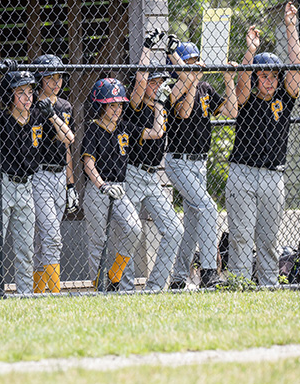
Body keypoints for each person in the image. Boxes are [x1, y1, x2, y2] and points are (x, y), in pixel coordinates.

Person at [0, 65, 74, 296]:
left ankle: (25, 296)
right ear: (11, 96)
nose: (27, 97)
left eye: (30, 92)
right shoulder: (2, 118)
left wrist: (51, 114)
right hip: (2, 185)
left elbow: (69, 138)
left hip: (26, 188)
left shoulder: (38, 117)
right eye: (20, 92)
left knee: (26, 250)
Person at [226, 2, 300, 286]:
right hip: (243, 172)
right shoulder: (246, 100)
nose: (268, 81)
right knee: (242, 236)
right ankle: (239, 284)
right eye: (263, 76)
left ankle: (269, 285)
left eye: (273, 76)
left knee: (269, 239)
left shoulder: (285, 98)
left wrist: (290, 27)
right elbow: (242, 83)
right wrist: (250, 50)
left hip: (273, 175)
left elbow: (296, 67)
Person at [82, 74, 165, 292]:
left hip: (120, 188)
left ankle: (114, 276)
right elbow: (88, 163)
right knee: (98, 242)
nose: (117, 110)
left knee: (135, 229)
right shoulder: (93, 129)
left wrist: (159, 104)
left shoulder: (124, 127)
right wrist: (101, 185)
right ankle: (100, 288)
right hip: (99, 189)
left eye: (119, 105)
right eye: (111, 106)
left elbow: (157, 133)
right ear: (100, 106)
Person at [166, 42, 238, 290]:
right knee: (208, 207)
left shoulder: (205, 88)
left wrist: (229, 80)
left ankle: (177, 278)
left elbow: (231, 110)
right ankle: (209, 272)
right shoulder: (174, 90)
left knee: (193, 223)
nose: (195, 65)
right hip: (178, 162)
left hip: (200, 164)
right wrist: (191, 81)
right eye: (189, 62)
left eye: (197, 60)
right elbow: (184, 113)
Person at [122, 30, 178, 291]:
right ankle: (124, 286)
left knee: (174, 230)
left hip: (153, 176)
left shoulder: (161, 106)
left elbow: (187, 78)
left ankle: (155, 286)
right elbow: (140, 79)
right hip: (132, 174)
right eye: (154, 83)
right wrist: (146, 46)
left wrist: (170, 51)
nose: (157, 86)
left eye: (161, 83)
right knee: (130, 233)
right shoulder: (135, 105)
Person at [31, 54, 76, 294]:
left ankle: (39, 293)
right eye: (50, 77)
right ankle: (55, 291)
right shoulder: (31, 105)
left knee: (45, 238)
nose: (56, 82)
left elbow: (67, 145)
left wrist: (70, 184)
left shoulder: (65, 107)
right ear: (40, 79)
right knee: (52, 236)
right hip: (39, 176)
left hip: (60, 176)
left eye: (59, 77)